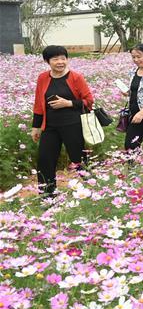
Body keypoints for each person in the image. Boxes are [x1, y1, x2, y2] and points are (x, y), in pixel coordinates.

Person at [31, 45, 95, 196]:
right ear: (47, 61)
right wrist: (36, 127)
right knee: (45, 160)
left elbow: (89, 101)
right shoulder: (43, 78)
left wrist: (68, 103)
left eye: (63, 58)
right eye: (55, 59)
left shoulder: (75, 77)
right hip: (50, 127)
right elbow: (39, 104)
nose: (60, 62)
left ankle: (91, 191)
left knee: (78, 158)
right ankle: (48, 195)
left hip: (73, 125)